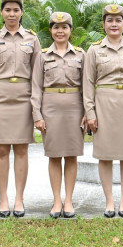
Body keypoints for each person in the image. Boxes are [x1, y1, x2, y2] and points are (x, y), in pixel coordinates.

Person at [0, 0, 41, 218]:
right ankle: (3, 198)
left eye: (16, 10)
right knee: (1, 150)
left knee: (22, 149)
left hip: (24, 98)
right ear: (2, 12)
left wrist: (36, 106)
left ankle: (19, 199)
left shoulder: (32, 39)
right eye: (8, 10)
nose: (12, 14)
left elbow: (37, 76)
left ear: (22, 12)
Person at [83, 4, 123, 218]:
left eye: (118, 20)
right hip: (104, 103)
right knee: (105, 155)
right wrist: (90, 113)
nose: (114, 24)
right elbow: (88, 83)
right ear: (103, 24)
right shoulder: (94, 50)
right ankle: (109, 201)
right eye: (109, 20)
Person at [31, 12, 86, 219]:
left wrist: (87, 112)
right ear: (51, 30)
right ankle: (56, 201)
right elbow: (36, 87)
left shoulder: (81, 54)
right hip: (50, 108)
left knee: (71, 155)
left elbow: (87, 87)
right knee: (54, 155)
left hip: (74, 108)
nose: (60, 31)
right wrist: (37, 115)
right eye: (56, 27)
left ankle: (69, 200)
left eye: (64, 27)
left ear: (70, 30)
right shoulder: (42, 56)